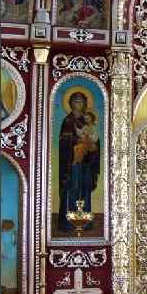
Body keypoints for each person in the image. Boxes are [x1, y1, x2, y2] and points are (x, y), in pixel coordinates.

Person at [58, 92, 100, 232]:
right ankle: (69, 223)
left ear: (85, 104)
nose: (79, 104)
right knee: (72, 188)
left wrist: (93, 146)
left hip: (86, 162)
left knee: (85, 188)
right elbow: (64, 141)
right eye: (76, 101)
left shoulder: (87, 120)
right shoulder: (68, 121)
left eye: (81, 101)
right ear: (70, 103)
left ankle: (85, 222)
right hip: (72, 163)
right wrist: (78, 140)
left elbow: (95, 140)